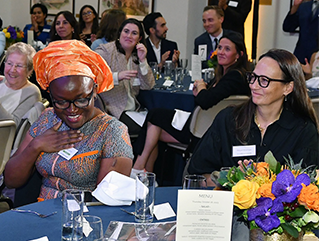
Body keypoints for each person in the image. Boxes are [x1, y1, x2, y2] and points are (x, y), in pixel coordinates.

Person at [4, 40, 133, 200]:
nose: (72, 110)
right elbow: (10, 180)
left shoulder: (112, 132)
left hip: (81, 218)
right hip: (40, 211)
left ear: (94, 91)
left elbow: (106, 202)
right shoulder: (47, 118)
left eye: (81, 100)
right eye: (61, 102)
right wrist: (35, 146)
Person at [188, 48, 319, 187]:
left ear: (287, 88)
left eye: (264, 80)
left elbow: (304, 188)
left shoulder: (303, 131)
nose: (253, 85)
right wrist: (231, 181)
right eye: (253, 77)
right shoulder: (229, 120)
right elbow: (197, 175)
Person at [132, 31, 250, 178]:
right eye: (219, 48)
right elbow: (208, 98)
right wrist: (202, 92)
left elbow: (206, 101)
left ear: (238, 54)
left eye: (227, 49)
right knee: (154, 128)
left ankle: (139, 170)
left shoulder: (234, 76)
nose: (221, 52)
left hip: (206, 131)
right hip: (205, 126)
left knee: (154, 117)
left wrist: (201, 88)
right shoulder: (229, 75)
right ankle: (145, 175)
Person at [95, 18, 155, 135]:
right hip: (112, 111)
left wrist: (143, 61)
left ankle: (142, 154)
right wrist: (117, 76)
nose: (129, 36)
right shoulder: (105, 51)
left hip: (135, 111)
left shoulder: (136, 57)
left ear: (140, 38)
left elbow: (148, 85)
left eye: (134, 33)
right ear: (119, 34)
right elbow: (92, 78)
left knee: (156, 124)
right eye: (126, 31)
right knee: (148, 131)